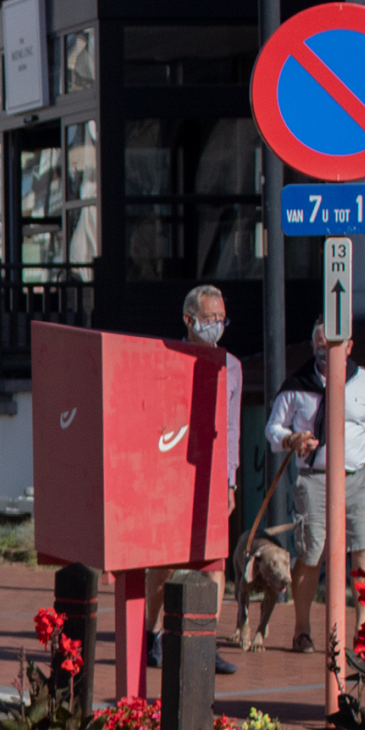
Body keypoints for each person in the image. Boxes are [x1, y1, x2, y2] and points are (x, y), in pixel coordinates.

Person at [266, 319, 365, 653]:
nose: (324, 349)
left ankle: (363, 628)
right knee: (312, 550)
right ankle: (302, 629)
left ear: (349, 346)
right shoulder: (296, 385)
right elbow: (273, 428)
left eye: (332, 342)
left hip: (357, 476)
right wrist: (291, 438)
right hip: (313, 478)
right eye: (319, 342)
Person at [146, 285, 242, 676]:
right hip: (173, 472)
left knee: (214, 562)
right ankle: (151, 636)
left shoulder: (231, 365)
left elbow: (232, 427)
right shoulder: (165, 359)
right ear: (189, 320)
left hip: (214, 475)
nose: (216, 325)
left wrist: (231, 479)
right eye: (209, 318)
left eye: (221, 318)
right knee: (165, 561)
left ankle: (205, 641)